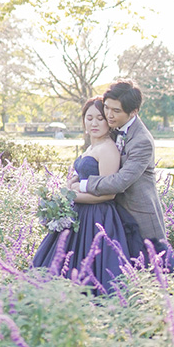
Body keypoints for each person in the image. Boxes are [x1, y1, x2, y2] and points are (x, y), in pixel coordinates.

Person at [32, 97, 145, 294]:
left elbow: (108, 194)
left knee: (91, 268)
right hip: (80, 214)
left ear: (108, 122)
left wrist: (71, 197)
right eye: (89, 118)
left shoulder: (108, 149)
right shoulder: (92, 147)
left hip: (97, 216)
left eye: (100, 118)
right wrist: (70, 189)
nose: (94, 123)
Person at [70, 80, 174, 266]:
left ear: (133, 112)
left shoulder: (142, 141)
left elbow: (120, 181)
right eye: (107, 108)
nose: (109, 115)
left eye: (116, 111)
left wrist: (82, 186)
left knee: (159, 270)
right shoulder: (113, 129)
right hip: (112, 215)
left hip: (138, 215)